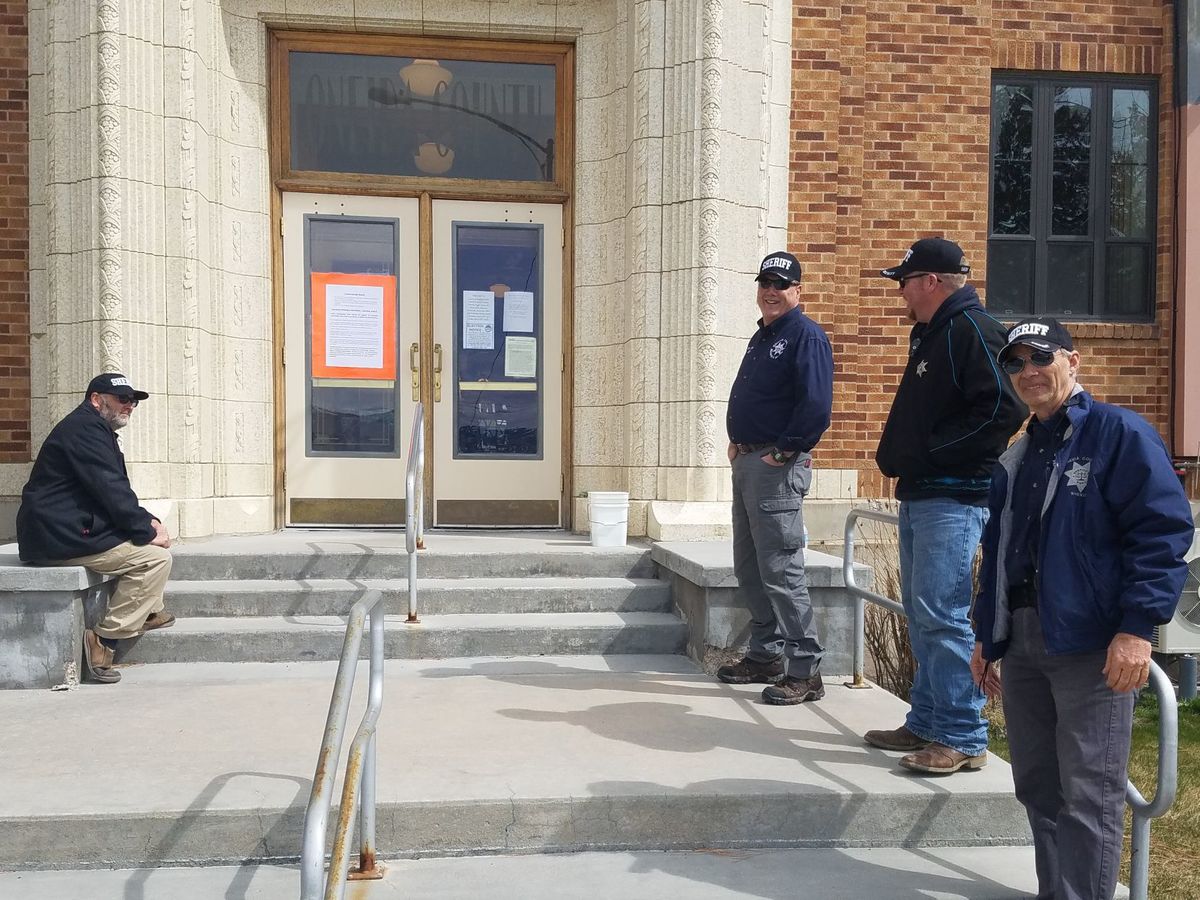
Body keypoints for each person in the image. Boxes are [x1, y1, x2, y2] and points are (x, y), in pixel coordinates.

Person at [971, 317, 1194, 900]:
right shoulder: (1021, 451)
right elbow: (999, 550)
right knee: (1039, 787)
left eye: (1040, 357)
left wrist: (1137, 629)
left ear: (1074, 361)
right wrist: (986, 637)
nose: (1028, 372)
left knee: (1089, 793)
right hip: (1022, 639)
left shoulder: (1118, 435)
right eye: (1015, 363)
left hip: (1091, 646)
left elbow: (1163, 532)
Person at [867, 237, 1027, 773]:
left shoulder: (973, 331)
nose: (902, 293)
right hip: (923, 493)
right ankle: (928, 718)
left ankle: (962, 734)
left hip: (953, 498)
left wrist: (935, 454)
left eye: (906, 282)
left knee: (944, 614)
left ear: (931, 282)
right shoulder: (935, 333)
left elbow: (1005, 407)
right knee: (922, 612)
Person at [717, 251, 834, 704]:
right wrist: (739, 441)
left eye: (781, 284)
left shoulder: (805, 336)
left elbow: (815, 407)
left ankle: (805, 670)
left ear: (797, 291)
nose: (771, 291)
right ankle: (764, 654)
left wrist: (782, 451)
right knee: (750, 568)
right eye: (765, 282)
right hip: (749, 462)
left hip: (776, 468)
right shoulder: (763, 335)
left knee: (782, 571)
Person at [17, 373, 175, 684]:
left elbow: (110, 491)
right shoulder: (86, 430)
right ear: (96, 399)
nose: (129, 406)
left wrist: (148, 521)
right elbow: (110, 490)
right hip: (57, 537)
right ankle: (105, 641)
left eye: (133, 401)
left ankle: (147, 610)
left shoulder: (91, 428)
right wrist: (146, 529)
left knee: (150, 541)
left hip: (68, 528)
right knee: (155, 559)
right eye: (122, 399)